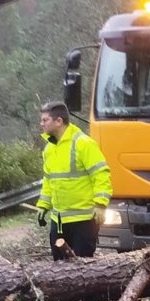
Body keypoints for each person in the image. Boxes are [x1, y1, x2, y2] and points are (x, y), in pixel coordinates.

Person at [34, 101, 112, 259]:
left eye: (45, 120)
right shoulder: (49, 149)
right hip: (59, 220)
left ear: (59, 121)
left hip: (84, 220)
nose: (41, 124)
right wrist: (43, 206)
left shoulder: (83, 143)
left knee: (82, 266)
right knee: (58, 267)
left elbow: (100, 174)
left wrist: (101, 204)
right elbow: (49, 180)